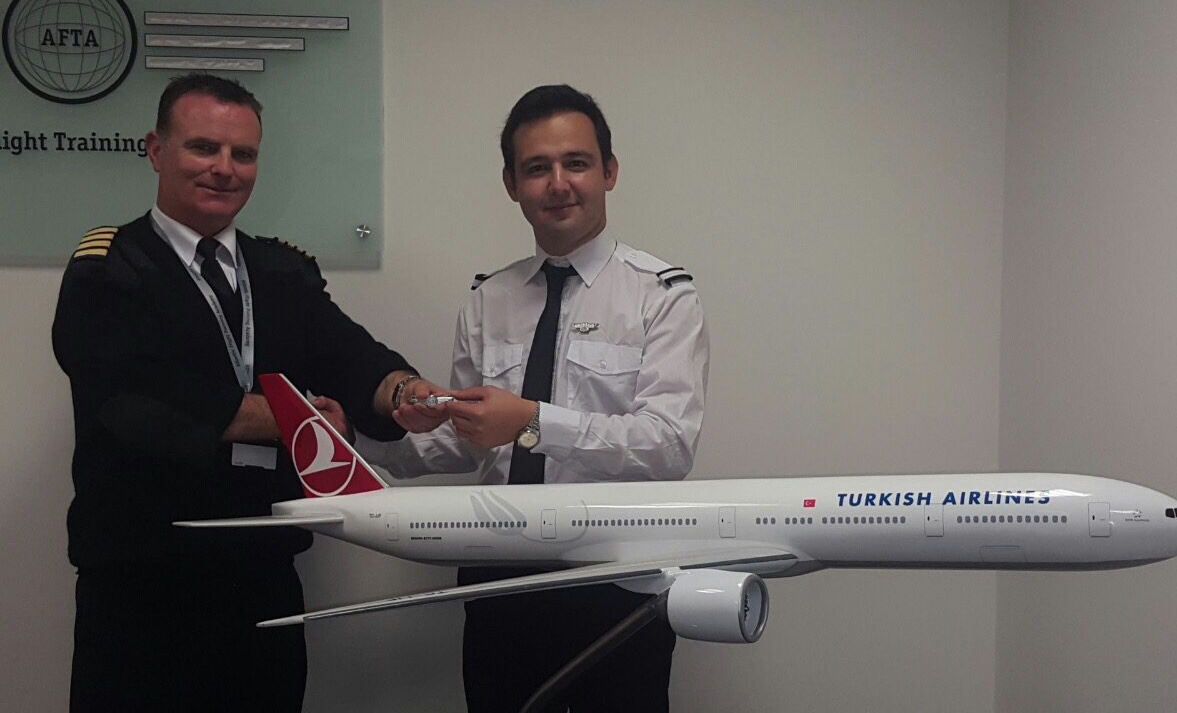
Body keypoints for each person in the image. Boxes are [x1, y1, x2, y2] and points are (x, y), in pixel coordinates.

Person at [52, 73, 424, 712]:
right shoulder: (108, 268)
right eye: (204, 148)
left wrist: (407, 392)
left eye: (243, 154)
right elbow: (136, 399)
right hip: (140, 588)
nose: (224, 169)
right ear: (156, 151)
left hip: (263, 582)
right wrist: (291, 420)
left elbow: (351, 357)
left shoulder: (281, 270)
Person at [353, 84, 709, 712]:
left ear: (610, 172)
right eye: (537, 168)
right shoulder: (487, 299)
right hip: (499, 578)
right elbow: (463, 444)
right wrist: (357, 440)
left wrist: (532, 422)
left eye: (577, 163)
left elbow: (668, 445)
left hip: (617, 581)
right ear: (511, 184)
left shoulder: (662, 295)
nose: (558, 184)